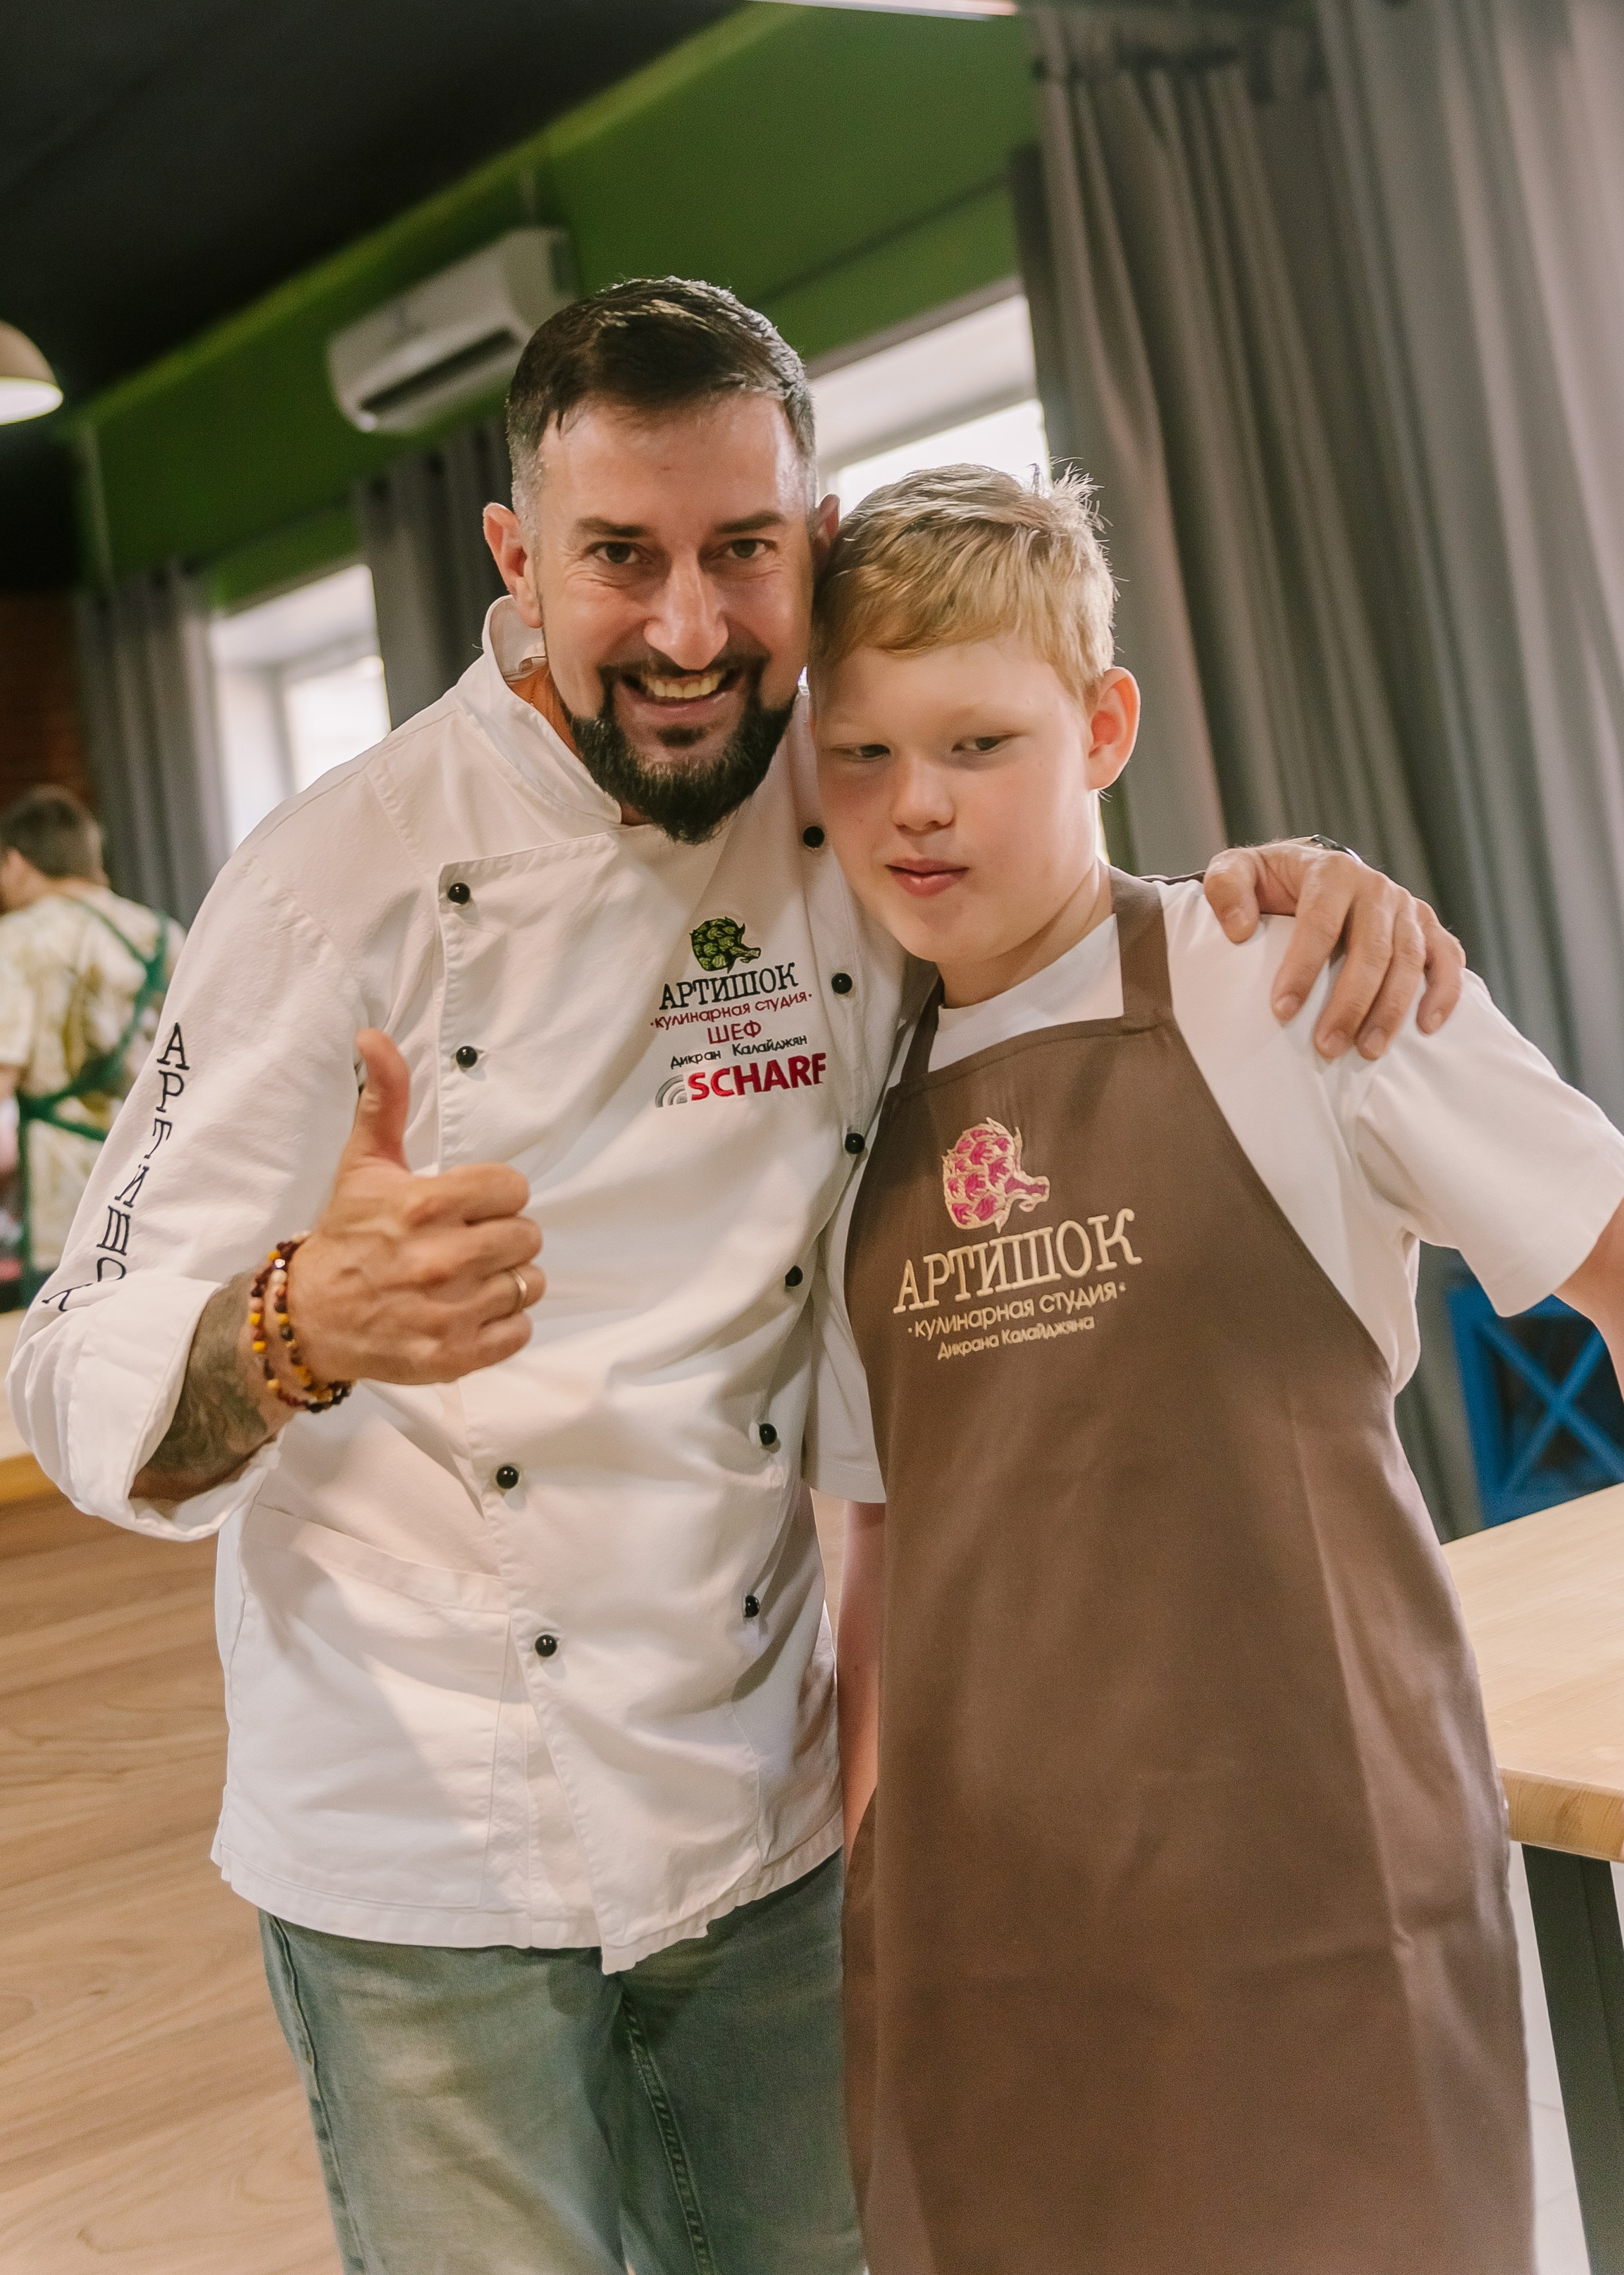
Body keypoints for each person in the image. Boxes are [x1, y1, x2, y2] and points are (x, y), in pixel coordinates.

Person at [11, 282, 1462, 2275]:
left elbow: (1050, 876)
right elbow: (67, 1363)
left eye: (741, 553)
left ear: (814, 538)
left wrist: (1285, 889)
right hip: (425, 1835)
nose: (690, 631)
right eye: (621, 556)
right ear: (518, 557)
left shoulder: (837, 789)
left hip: (756, 1792)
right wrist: (295, 1326)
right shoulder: (329, 878)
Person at [806, 467, 1624, 2275]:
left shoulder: (1291, 978)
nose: (915, 802)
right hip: (982, 1954)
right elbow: (873, 1536)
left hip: (1319, 1910)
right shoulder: (835, 1103)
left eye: (975, 742)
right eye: (860, 753)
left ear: (1102, 726)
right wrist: (858, 1881)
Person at [0, 785, 178, 1309]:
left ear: (17, 862)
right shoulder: (161, 933)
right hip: (158, 1175)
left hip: (64, 1202)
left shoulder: (15, 940)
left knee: (69, 1338)